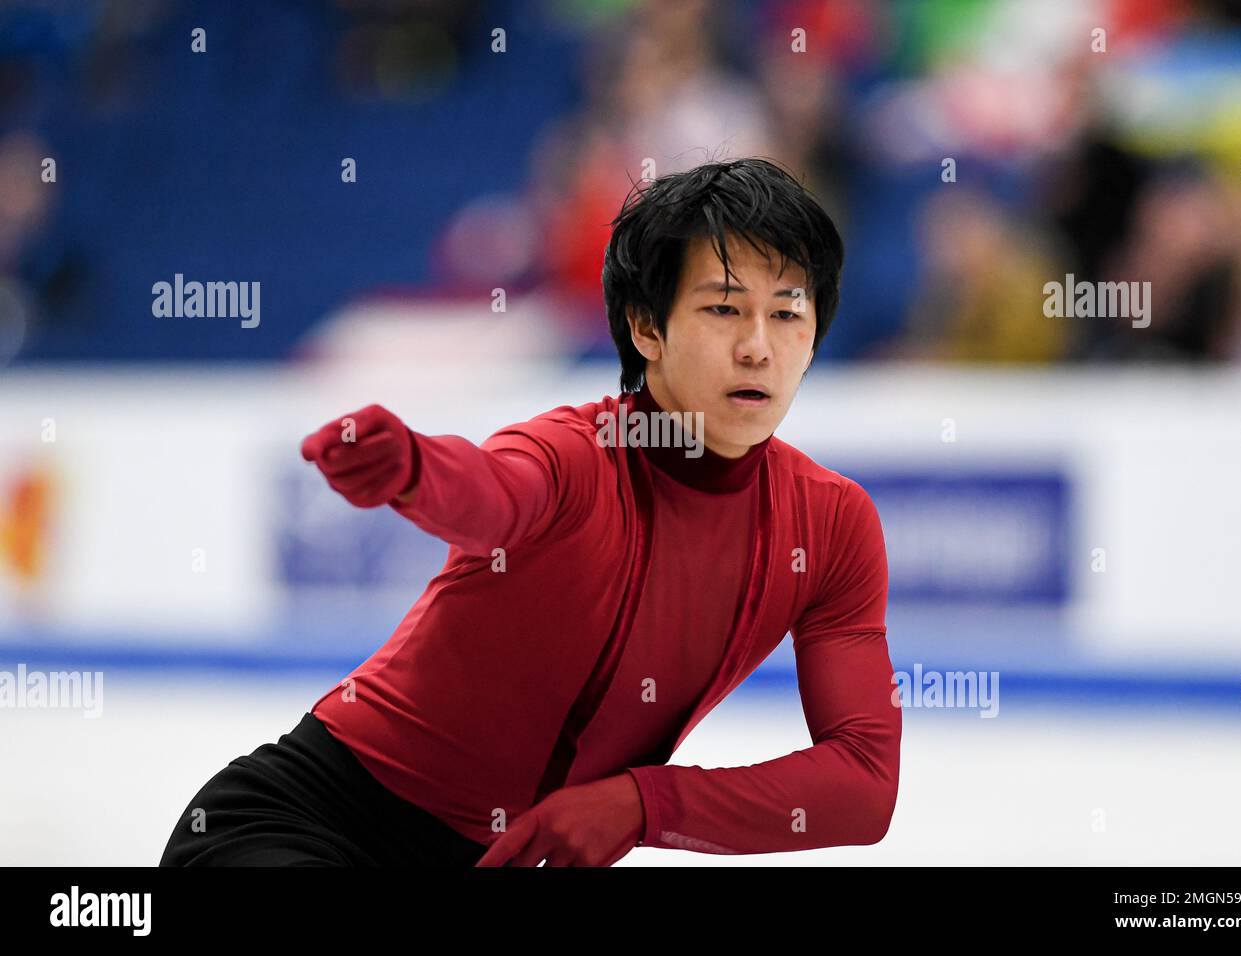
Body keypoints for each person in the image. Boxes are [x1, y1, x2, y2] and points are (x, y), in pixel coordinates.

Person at [159, 157, 901, 867]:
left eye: (788, 313)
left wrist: (646, 805)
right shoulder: (575, 455)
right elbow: (491, 494)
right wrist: (414, 467)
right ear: (646, 327)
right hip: (302, 826)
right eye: (723, 309)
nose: (758, 348)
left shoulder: (831, 526)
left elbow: (863, 784)